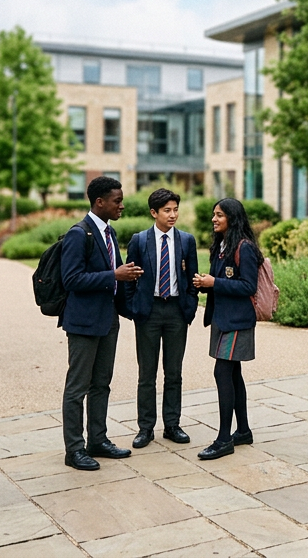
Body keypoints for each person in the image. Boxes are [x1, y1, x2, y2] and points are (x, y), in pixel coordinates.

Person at [60, 176, 143, 471]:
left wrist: (131, 306)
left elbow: (114, 277)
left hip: (108, 321)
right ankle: (74, 450)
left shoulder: (109, 233)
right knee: (77, 388)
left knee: (101, 384)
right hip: (83, 323)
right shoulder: (78, 234)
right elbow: (71, 280)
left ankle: (98, 440)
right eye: (117, 201)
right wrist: (114, 276)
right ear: (100, 202)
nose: (121, 205)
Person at [124, 188, 200, 448]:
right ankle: (145, 428)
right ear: (153, 212)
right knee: (147, 373)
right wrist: (134, 308)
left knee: (174, 372)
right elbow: (129, 277)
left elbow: (193, 278)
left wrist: (189, 307)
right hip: (148, 312)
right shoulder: (139, 240)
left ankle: (172, 424)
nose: (173, 215)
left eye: (175, 209)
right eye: (167, 210)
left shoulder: (187, 241)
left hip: (177, 311)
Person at [195, 198, 260, 461]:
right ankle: (242, 431)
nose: (214, 219)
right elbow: (220, 282)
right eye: (213, 215)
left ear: (232, 218)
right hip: (223, 319)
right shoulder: (222, 246)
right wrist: (205, 284)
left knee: (223, 372)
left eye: (219, 215)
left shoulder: (244, 248)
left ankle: (224, 439)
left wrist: (215, 282)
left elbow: (248, 287)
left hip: (237, 321)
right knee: (233, 375)